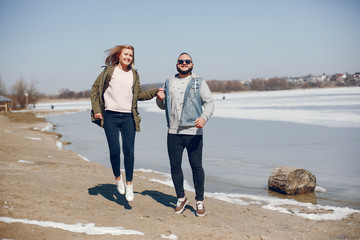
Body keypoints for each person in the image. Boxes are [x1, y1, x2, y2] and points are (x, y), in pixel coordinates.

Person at [91, 45, 159, 202]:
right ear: (119, 56)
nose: (128, 57)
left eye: (130, 55)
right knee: (114, 151)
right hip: (110, 117)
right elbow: (95, 89)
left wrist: (155, 92)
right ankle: (117, 178)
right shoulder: (109, 71)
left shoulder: (134, 74)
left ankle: (129, 184)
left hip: (128, 117)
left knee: (129, 152)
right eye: (125, 54)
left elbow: (138, 95)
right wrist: (96, 109)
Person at [156, 52, 214, 217]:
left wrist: (204, 118)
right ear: (177, 64)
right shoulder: (169, 82)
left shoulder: (199, 82)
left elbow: (209, 103)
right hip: (173, 131)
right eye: (181, 61)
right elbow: (163, 105)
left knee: (196, 166)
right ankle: (181, 198)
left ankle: (200, 201)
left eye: (187, 61)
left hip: (194, 132)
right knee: (175, 166)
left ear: (192, 64)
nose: (184, 63)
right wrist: (160, 99)